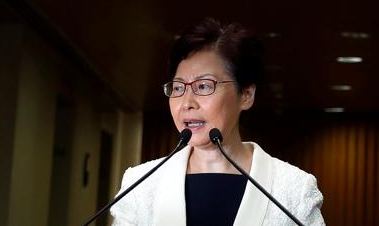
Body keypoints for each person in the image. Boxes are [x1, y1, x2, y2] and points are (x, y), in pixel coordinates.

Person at [110, 18, 325, 225]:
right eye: (178, 87)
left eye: (204, 86)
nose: (187, 103)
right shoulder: (140, 185)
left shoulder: (295, 190)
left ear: (246, 95)